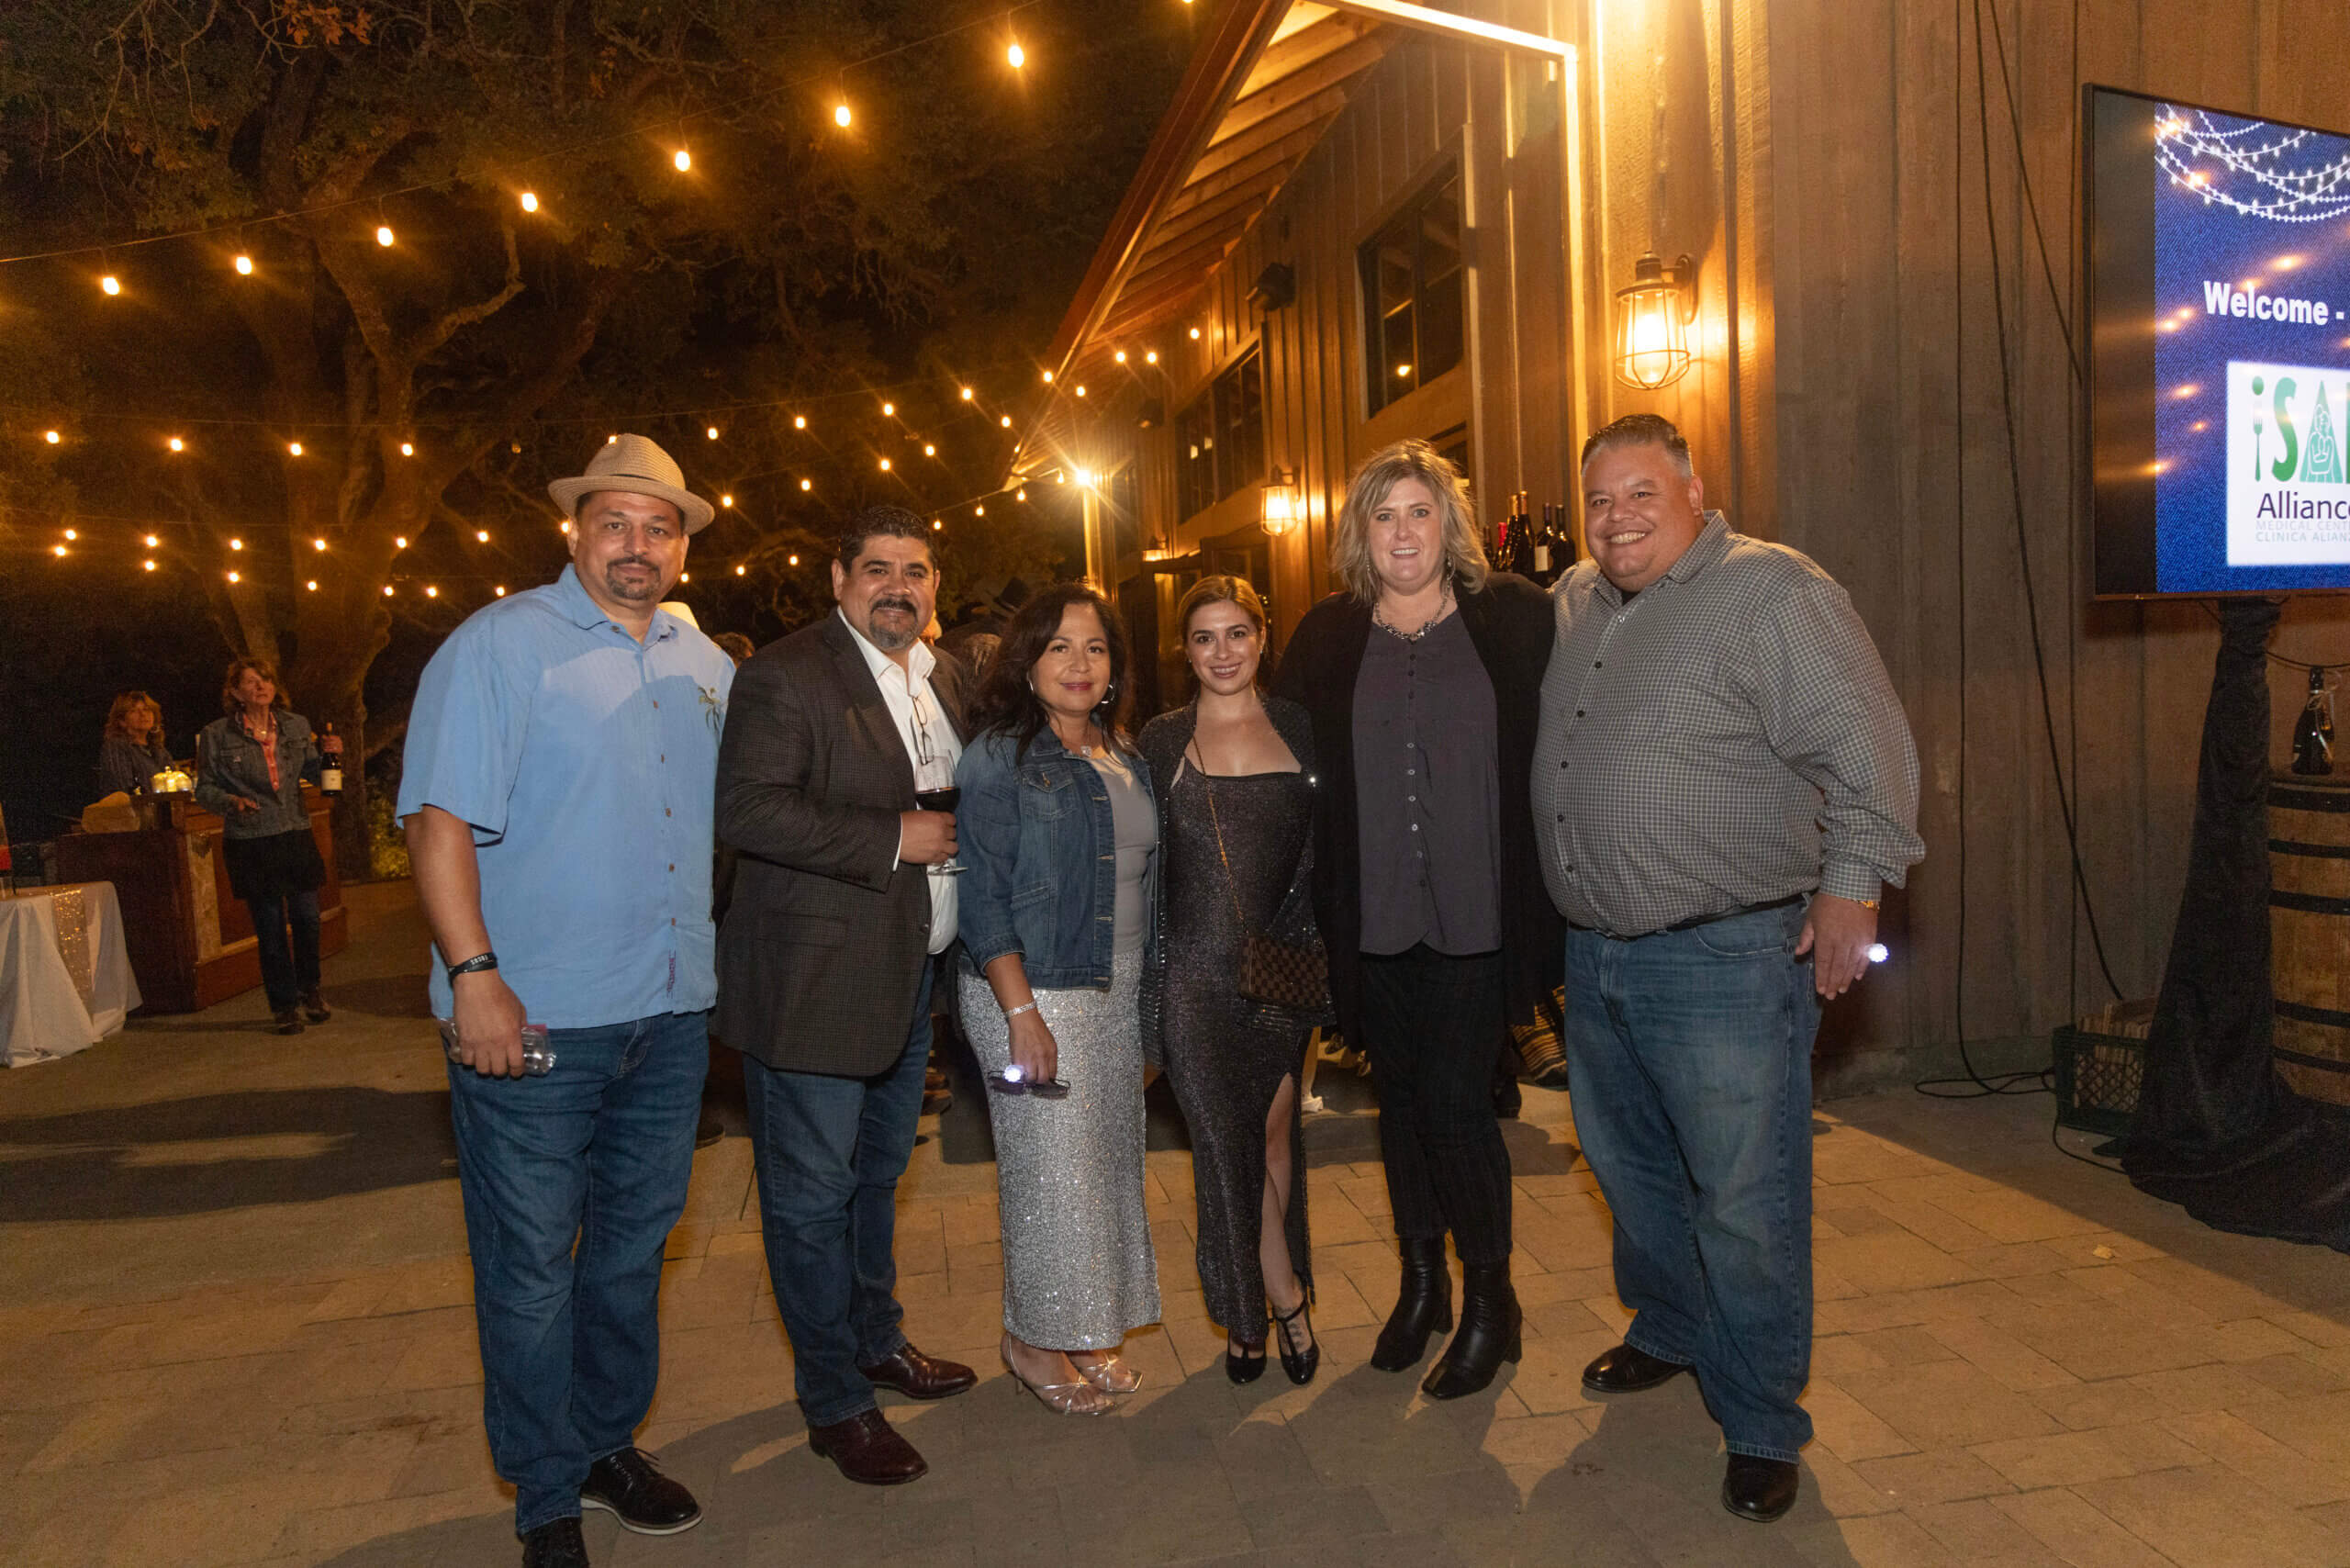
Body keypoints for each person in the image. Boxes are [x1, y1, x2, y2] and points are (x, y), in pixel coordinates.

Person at [1538, 413, 1922, 1525]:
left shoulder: (1772, 592)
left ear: (1695, 493)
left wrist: (1851, 888)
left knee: (1745, 1200)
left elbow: (1868, 749)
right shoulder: (1577, 599)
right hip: (1596, 953)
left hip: (1727, 955)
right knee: (1633, 1172)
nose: (1616, 519)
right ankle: (1671, 1326)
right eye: (1598, 499)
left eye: (1640, 494)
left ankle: (1758, 1420)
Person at [400, 434, 732, 1568]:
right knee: (531, 1266)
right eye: (614, 523)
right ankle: (545, 1493)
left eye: (658, 527)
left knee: (631, 1253)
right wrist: (474, 977)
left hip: (670, 1013)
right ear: (574, 530)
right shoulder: (501, 645)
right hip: (533, 1021)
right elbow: (437, 822)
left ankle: (604, 1445)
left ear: (681, 546)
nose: (636, 546)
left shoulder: (702, 660)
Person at [1272, 439, 1560, 1400]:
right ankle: (1423, 1282)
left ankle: (1492, 1301)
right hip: (1373, 916)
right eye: (1383, 515)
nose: (1402, 532)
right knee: (1398, 1103)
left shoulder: (1513, 618)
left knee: (1454, 1105)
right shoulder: (1326, 635)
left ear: (1450, 524)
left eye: (1419, 512)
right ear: (1360, 533)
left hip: (1479, 911)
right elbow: (1280, 758)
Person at [715, 504, 979, 1487]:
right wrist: (890, 838)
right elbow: (747, 808)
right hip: (814, 985)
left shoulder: (944, 676)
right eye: (877, 569)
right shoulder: (786, 674)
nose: (896, 587)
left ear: (935, 586)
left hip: (911, 978)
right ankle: (833, 1401)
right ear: (839, 580)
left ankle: (876, 1341)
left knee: (875, 1180)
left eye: (915, 571)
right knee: (810, 1200)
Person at [956, 584, 1161, 1415]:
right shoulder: (998, 757)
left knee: (1103, 1170)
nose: (1080, 664)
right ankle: (1032, 1340)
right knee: (1050, 1178)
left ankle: (1082, 1329)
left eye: (1096, 648)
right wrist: (1021, 1014)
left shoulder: (1125, 751)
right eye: (1060, 647)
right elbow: (981, 898)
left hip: (1116, 986)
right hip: (1033, 989)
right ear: (1027, 662)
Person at [1139, 576, 1326, 1386]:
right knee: (1225, 1148)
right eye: (1204, 638)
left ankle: (1258, 1306)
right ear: (1184, 651)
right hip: (1192, 981)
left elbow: (1324, 854)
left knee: (1276, 1138)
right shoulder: (1160, 741)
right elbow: (1142, 870)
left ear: (1261, 637)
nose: (1223, 652)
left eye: (1237, 634)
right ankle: (1275, 1302)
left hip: (1282, 971)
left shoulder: (1299, 726)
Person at [195, 659, 342, 1035]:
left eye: (266, 679)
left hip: (294, 831)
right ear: (235, 692)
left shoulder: (296, 725)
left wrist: (332, 755)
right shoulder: (216, 735)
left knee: (307, 918)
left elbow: (316, 775)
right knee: (270, 926)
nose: (261, 686)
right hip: (251, 838)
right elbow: (204, 789)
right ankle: (284, 1005)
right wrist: (231, 802)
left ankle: (311, 989)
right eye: (250, 681)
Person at [99, 689, 173, 796]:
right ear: (122, 721)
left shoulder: (159, 749)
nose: (143, 714)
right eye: (133, 711)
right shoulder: (116, 746)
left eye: (146, 709)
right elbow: (122, 790)